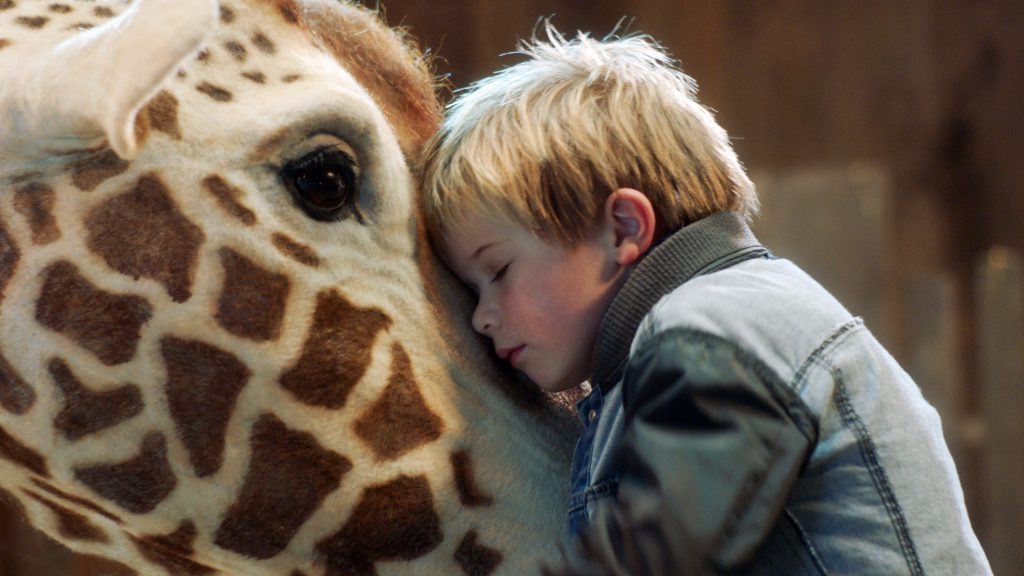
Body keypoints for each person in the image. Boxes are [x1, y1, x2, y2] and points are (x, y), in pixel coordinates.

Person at [419, 25, 991, 575]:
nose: (481, 315)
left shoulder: (712, 329)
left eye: (498, 271)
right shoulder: (693, 334)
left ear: (622, 230)